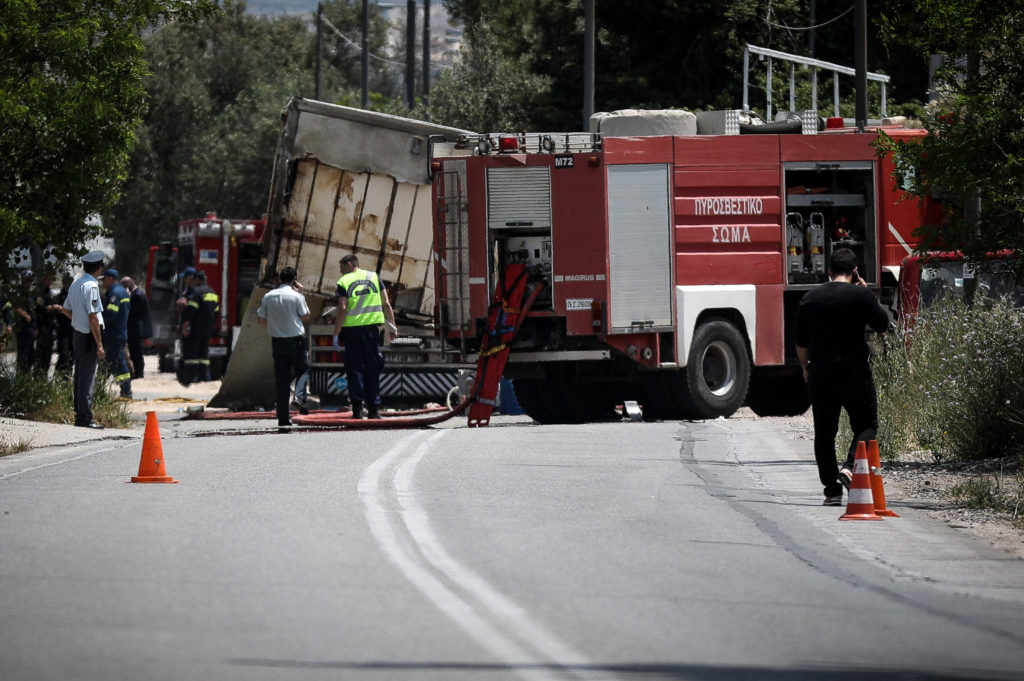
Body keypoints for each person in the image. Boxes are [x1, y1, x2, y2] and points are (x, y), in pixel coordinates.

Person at [796, 248, 890, 506]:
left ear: (829, 271)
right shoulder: (861, 295)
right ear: (855, 271)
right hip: (853, 371)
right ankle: (849, 468)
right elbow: (883, 324)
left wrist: (806, 367)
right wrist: (866, 292)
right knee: (867, 424)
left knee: (824, 432)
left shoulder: (810, 298)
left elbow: (801, 341)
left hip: (821, 373)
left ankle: (831, 491)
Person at [332, 254, 396, 419]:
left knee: (354, 370)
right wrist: (393, 327)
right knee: (372, 368)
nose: (340, 271)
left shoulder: (343, 282)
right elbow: (386, 303)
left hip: (352, 331)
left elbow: (342, 308)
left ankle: (357, 410)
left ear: (348, 264)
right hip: (371, 331)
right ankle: (374, 410)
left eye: (341, 267)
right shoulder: (374, 277)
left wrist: (336, 332)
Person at [257, 267, 312, 433]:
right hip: (295, 341)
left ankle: (283, 418)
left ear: (280, 279)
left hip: (278, 342)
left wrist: (278, 323)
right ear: (294, 279)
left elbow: (261, 320)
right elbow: (306, 315)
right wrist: (301, 293)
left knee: (282, 381)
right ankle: (299, 396)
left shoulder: (268, 296)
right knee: (304, 369)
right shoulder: (297, 296)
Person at [62, 251, 107, 429]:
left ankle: (80, 414)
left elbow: (66, 309)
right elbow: (93, 317)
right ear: (99, 268)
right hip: (89, 336)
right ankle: (85, 417)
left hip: (78, 334)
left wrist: (77, 321)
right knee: (87, 377)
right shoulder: (91, 286)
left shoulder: (76, 284)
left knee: (80, 375)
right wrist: (99, 343)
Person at [179, 269, 218, 385]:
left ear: (197, 280)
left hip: (196, 328)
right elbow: (216, 311)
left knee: (192, 354)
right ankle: (204, 377)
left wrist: (185, 326)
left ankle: (192, 378)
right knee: (204, 354)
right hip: (207, 328)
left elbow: (191, 310)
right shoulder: (212, 292)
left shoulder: (197, 292)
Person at [100, 268, 132, 399]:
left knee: (119, 363)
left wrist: (98, 318)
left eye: (104, 279)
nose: (102, 282)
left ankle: (126, 390)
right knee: (108, 362)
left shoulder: (115, 293)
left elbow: (111, 314)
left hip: (115, 334)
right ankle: (99, 388)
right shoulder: (120, 291)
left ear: (110, 279)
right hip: (116, 333)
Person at [121, 276, 153, 379]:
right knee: (135, 352)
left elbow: (131, 312)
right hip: (135, 329)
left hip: (136, 330)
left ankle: (139, 374)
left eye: (124, 287)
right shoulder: (136, 294)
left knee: (136, 353)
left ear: (129, 285)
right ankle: (138, 373)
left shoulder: (137, 295)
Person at [35, 269, 61, 374]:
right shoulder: (40, 291)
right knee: (42, 354)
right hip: (43, 326)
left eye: (52, 279)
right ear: (44, 278)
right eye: (48, 278)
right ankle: (39, 375)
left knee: (48, 353)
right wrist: (51, 307)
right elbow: (39, 309)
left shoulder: (48, 291)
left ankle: (43, 375)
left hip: (50, 327)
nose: (50, 281)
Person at [11, 269, 37, 373]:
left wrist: (35, 327)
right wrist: (24, 314)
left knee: (31, 357)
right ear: (22, 280)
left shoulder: (30, 294)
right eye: (27, 280)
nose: (29, 282)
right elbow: (15, 305)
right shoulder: (19, 292)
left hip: (30, 329)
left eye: (31, 280)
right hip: (22, 328)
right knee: (23, 357)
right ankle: (21, 379)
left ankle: (26, 379)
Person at [54, 273, 75, 374]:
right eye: (67, 283)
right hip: (63, 329)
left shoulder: (75, 296)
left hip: (73, 329)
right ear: (64, 283)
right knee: (64, 353)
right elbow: (56, 310)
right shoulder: (59, 296)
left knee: (73, 354)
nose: (69, 285)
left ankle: (67, 373)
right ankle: (61, 374)